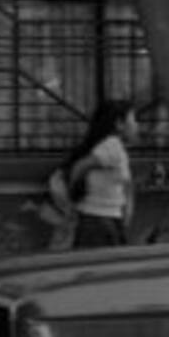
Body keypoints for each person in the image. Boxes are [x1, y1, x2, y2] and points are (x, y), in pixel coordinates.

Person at [64, 100, 138, 249]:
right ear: (119, 124)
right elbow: (79, 167)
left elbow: (126, 185)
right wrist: (72, 197)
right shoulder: (111, 146)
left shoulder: (114, 147)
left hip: (104, 217)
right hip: (99, 220)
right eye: (133, 120)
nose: (136, 125)